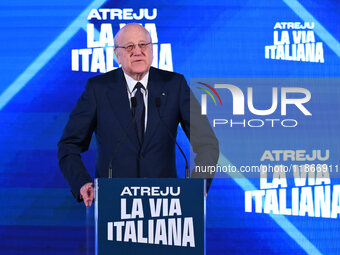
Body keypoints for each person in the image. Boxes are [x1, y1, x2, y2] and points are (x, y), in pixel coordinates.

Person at [57, 23, 219, 207]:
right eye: (129, 47)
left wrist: (199, 184)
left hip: (166, 208)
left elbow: (207, 143)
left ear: (152, 50)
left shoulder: (175, 85)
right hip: (114, 206)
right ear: (117, 55)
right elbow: (68, 145)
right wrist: (81, 182)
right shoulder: (98, 89)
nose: (137, 51)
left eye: (143, 45)